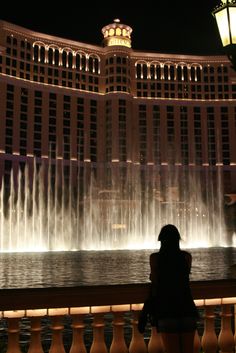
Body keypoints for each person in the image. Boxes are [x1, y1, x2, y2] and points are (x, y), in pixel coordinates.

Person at [138, 224, 198, 353]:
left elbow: (155, 284)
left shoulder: (155, 258)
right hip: (187, 309)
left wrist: (145, 311)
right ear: (177, 240)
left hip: (167, 311)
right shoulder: (187, 257)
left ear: (161, 240)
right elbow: (183, 277)